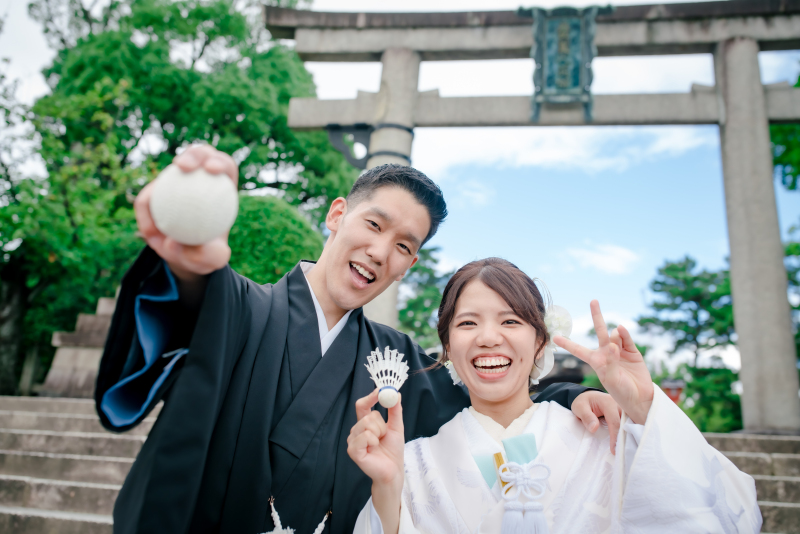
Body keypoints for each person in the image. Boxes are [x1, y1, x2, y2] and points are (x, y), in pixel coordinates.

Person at [95, 145, 623, 534]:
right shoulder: (238, 306)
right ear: (337, 214)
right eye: (373, 224)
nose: (379, 251)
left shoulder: (397, 360)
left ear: (409, 264)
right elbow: (191, 299)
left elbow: (488, 396)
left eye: (402, 245)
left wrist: (572, 396)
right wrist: (188, 264)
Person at [349, 258, 762, 534]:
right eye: (468, 323)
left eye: (510, 320)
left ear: (540, 342)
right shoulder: (416, 461)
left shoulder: (606, 435)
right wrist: (387, 487)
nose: (488, 338)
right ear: (448, 347)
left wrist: (642, 406)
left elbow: (726, 509)